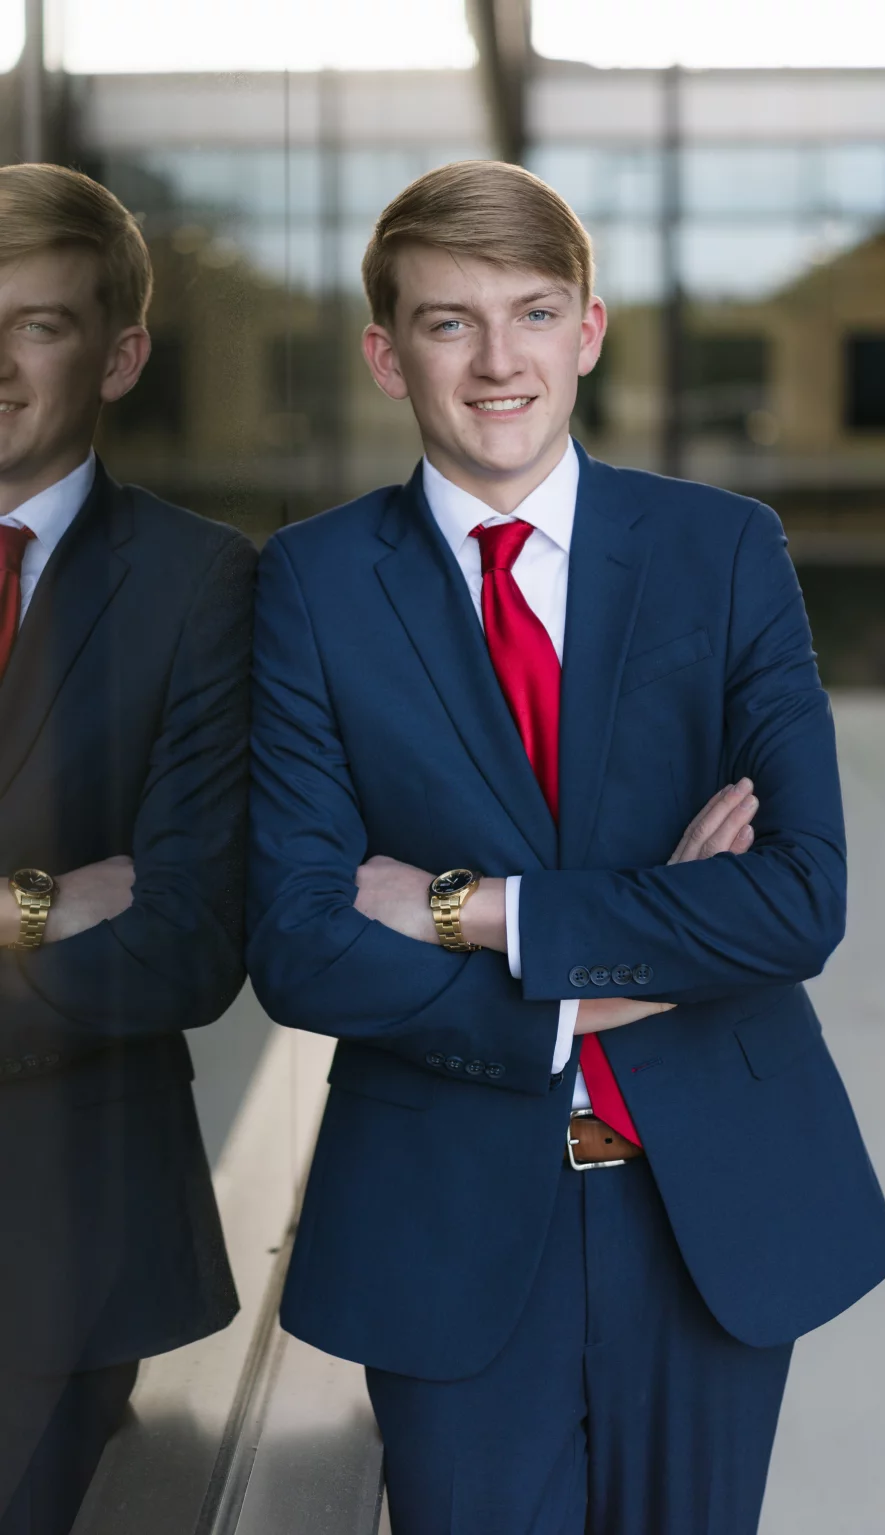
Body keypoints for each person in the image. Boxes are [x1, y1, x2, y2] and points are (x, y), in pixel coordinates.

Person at [247, 159, 885, 1535]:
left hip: (712, 1203)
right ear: (385, 353)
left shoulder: (722, 552)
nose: (499, 362)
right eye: (449, 321)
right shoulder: (309, 585)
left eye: (534, 313)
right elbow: (300, 944)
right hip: (446, 1219)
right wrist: (643, 948)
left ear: (589, 331)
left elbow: (799, 900)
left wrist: (468, 909)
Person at [0, 164, 253, 1535]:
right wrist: (39, 901)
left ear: (119, 354)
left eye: (34, 324)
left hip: (62, 1234)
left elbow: (190, 934)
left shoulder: (196, 583)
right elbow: (110, 908)